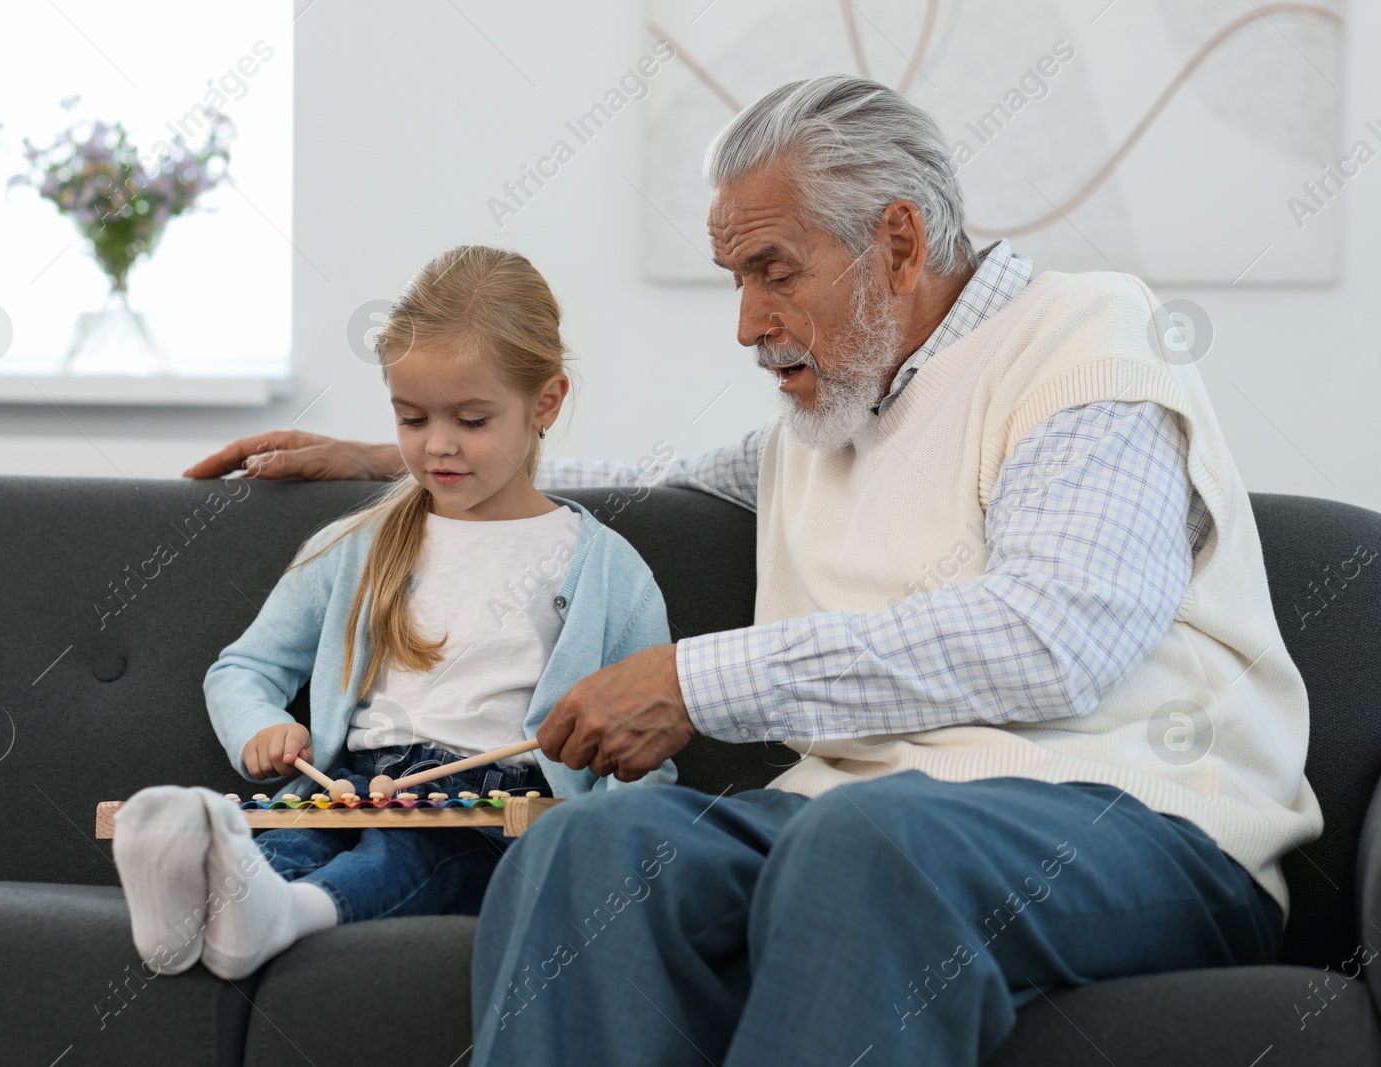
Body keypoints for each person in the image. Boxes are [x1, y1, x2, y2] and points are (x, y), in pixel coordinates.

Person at [185, 77, 1321, 1065]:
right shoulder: (818, 423)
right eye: (734, 276)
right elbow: (641, 480)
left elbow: (1055, 635)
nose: (746, 324)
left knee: (867, 841)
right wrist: (425, 450)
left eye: (771, 271)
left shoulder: (1086, 338)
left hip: (1137, 826)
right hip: (859, 826)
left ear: (898, 241)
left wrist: (693, 681)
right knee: (590, 842)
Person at [114, 244, 675, 985]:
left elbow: (648, 752)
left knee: (411, 855)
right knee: (289, 839)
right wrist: (262, 728)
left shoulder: (608, 568)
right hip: (349, 782)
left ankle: (282, 913)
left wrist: (592, 845)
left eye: (471, 419)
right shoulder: (356, 546)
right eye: (411, 418)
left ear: (546, 401)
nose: (436, 445)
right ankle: (202, 906)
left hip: (490, 808)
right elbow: (243, 667)